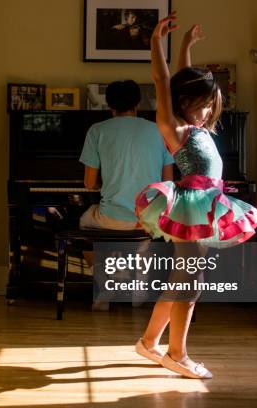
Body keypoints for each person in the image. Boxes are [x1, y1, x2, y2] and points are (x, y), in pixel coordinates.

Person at [133, 13, 257, 379]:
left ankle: (148, 342)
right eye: (203, 103)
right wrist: (155, 42)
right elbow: (164, 82)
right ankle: (178, 354)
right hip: (190, 207)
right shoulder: (173, 127)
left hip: (207, 207)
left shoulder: (196, 125)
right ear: (184, 101)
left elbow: (180, 81)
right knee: (191, 284)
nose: (209, 110)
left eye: (211, 104)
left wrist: (187, 47)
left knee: (181, 280)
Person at [79, 79, 175, 310]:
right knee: (145, 229)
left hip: (112, 217)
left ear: (109, 104)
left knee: (83, 223)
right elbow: (168, 183)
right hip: (147, 219)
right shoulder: (158, 130)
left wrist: (109, 182)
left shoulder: (97, 130)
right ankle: (139, 287)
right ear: (138, 103)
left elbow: (89, 183)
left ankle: (106, 282)